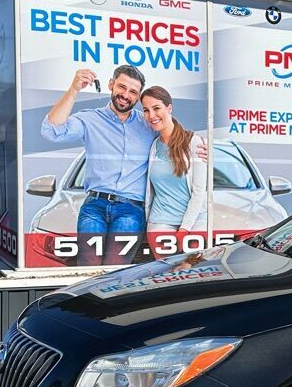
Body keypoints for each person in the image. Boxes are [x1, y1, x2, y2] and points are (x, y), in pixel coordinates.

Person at [41, 66, 206, 265]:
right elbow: (51, 131)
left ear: (138, 97)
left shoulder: (148, 123)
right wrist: (73, 90)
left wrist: (202, 146)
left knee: (116, 268)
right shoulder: (90, 119)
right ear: (111, 84)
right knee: (88, 265)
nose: (126, 95)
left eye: (133, 92)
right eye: (122, 87)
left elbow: (173, 133)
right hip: (94, 205)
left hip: (130, 210)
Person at [141, 86, 208, 252]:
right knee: (165, 268)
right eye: (146, 110)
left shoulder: (193, 142)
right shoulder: (153, 146)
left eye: (156, 108)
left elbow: (199, 191)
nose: (151, 115)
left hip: (195, 221)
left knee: (192, 267)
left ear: (169, 108)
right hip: (160, 221)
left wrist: (184, 229)